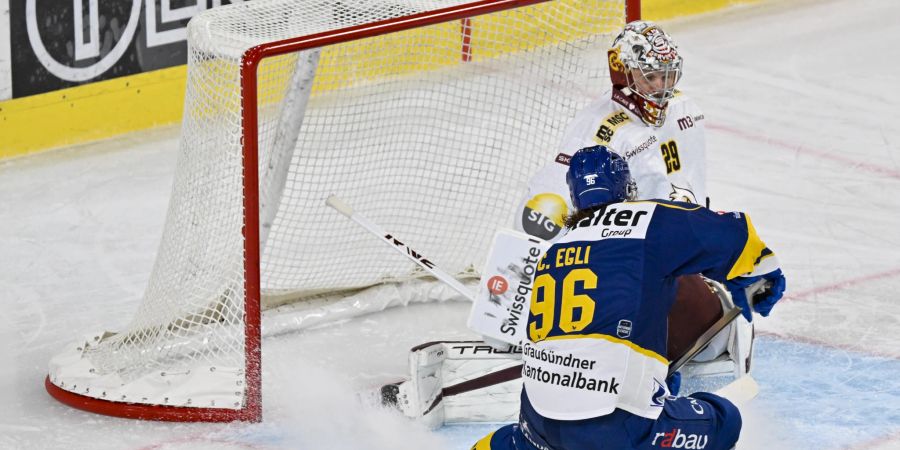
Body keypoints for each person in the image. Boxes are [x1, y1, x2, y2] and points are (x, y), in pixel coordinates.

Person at [476, 146, 786, 450]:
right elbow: (735, 234)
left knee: (503, 442)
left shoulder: (555, 248)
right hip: (618, 432)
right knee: (725, 418)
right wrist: (761, 277)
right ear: (626, 185)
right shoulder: (645, 219)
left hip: (538, 428)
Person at [516, 19, 746, 378]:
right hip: (620, 264)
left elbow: (689, 189)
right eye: (651, 77)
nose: (662, 87)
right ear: (623, 72)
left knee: (713, 329)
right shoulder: (600, 129)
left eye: (668, 75)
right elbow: (553, 198)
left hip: (667, 250)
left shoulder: (687, 111)